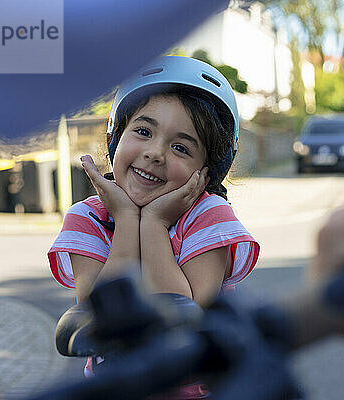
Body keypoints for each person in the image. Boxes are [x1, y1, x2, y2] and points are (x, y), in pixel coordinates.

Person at [47, 56, 260, 398]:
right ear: (116, 136)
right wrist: (127, 219)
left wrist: (155, 223)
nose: (155, 153)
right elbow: (99, 314)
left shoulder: (210, 218)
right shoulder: (87, 219)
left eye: (181, 147)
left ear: (207, 172)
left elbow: (181, 314)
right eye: (143, 131)